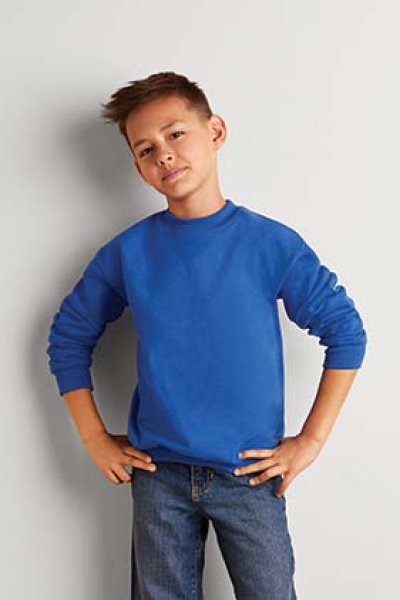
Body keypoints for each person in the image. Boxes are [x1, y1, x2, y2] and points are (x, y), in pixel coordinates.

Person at [47, 71, 367, 599]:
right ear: (138, 168)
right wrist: (94, 437)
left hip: (252, 474)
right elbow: (68, 337)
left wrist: (310, 441)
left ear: (215, 131)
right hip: (160, 475)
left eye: (175, 134)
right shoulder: (129, 253)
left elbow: (346, 333)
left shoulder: (270, 244)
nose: (165, 155)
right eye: (146, 149)